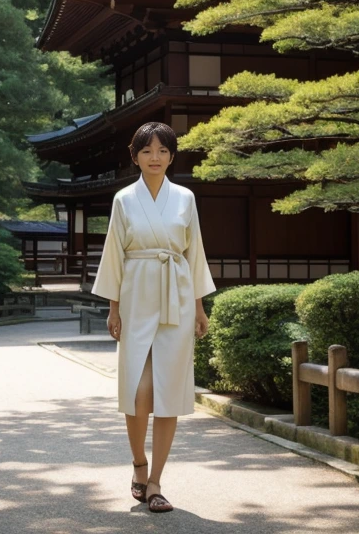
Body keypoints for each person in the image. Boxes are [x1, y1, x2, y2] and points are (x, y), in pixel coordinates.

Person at [91, 121, 216, 513]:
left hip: (177, 295)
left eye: (163, 151)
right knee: (139, 390)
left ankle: (157, 481)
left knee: (169, 393)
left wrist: (198, 306)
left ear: (172, 155)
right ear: (135, 156)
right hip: (136, 294)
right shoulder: (124, 199)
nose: (155, 158)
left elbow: (194, 252)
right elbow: (113, 251)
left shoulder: (185, 198)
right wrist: (113, 307)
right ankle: (139, 465)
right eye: (147, 151)